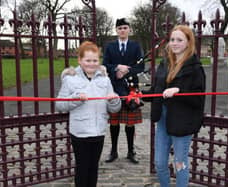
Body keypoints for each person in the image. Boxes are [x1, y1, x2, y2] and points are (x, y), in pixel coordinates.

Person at [142, 25, 206, 186]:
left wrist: (179, 91)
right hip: (163, 119)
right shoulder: (165, 64)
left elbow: (198, 100)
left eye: (179, 40)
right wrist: (140, 95)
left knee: (180, 164)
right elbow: (157, 91)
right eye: (172, 40)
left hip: (183, 121)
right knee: (160, 163)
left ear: (188, 42)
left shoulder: (195, 68)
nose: (174, 43)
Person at [55, 41, 121, 187]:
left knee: (94, 167)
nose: (91, 64)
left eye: (95, 60)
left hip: (99, 131)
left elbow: (114, 108)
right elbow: (59, 105)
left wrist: (114, 100)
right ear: (80, 60)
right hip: (80, 132)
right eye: (88, 60)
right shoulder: (70, 79)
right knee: (83, 168)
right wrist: (76, 99)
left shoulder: (105, 79)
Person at [103, 18, 144, 164]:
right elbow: (105, 64)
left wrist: (127, 71)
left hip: (130, 88)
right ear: (116, 30)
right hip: (113, 88)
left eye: (125, 27)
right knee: (114, 121)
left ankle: (131, 151)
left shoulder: (135, 46)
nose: (122, 30)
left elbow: (141, 66)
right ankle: (113, 151)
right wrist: (116, 68)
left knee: (129, 122)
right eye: (120, 28)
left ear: (129, 30)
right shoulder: (110, 46)